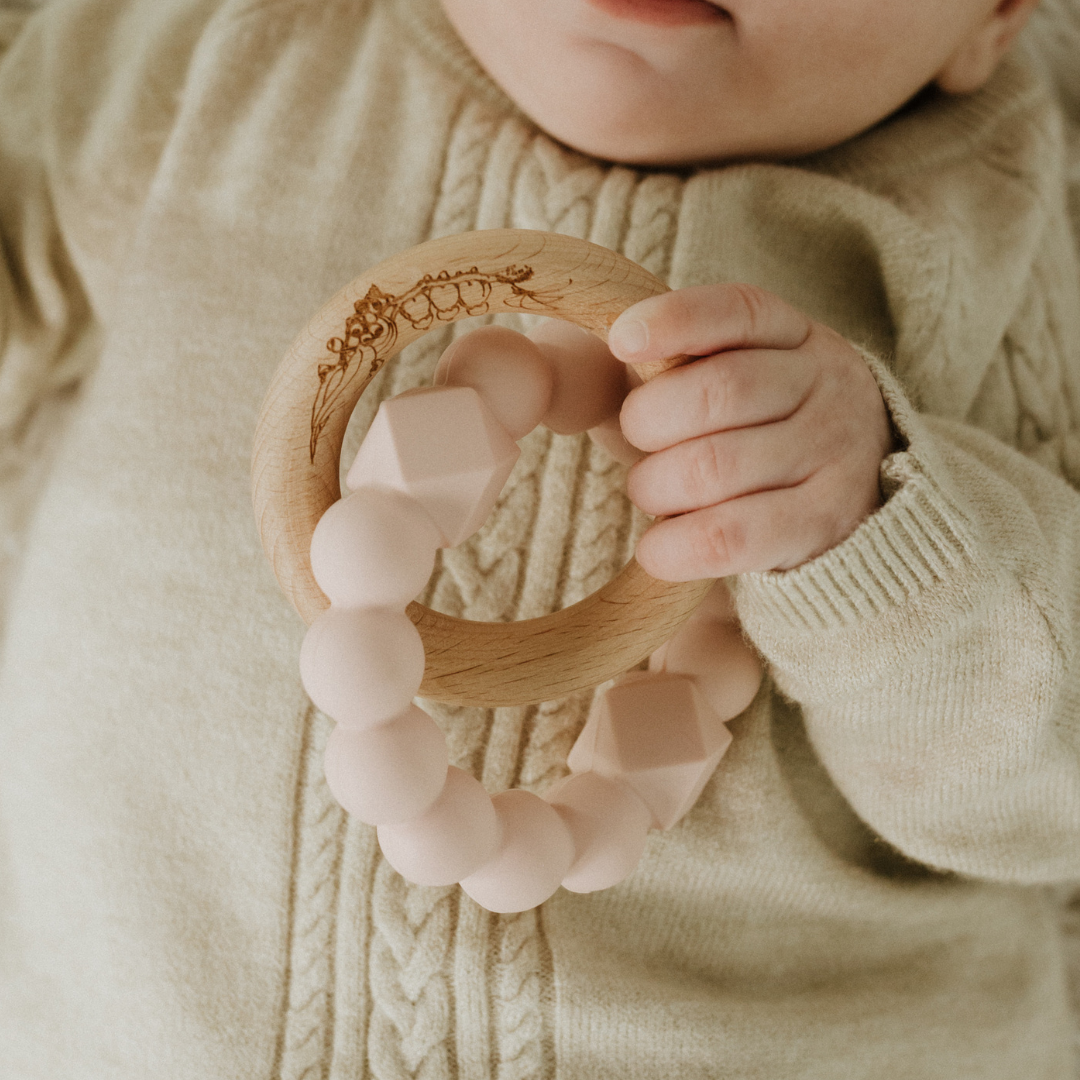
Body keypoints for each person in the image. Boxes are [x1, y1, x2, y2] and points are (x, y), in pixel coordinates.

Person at [0, 0, 1077, 1075]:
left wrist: (878, 526)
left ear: (996, 18)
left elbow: (1049, 789)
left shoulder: (1029, 203)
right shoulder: (213, 46)